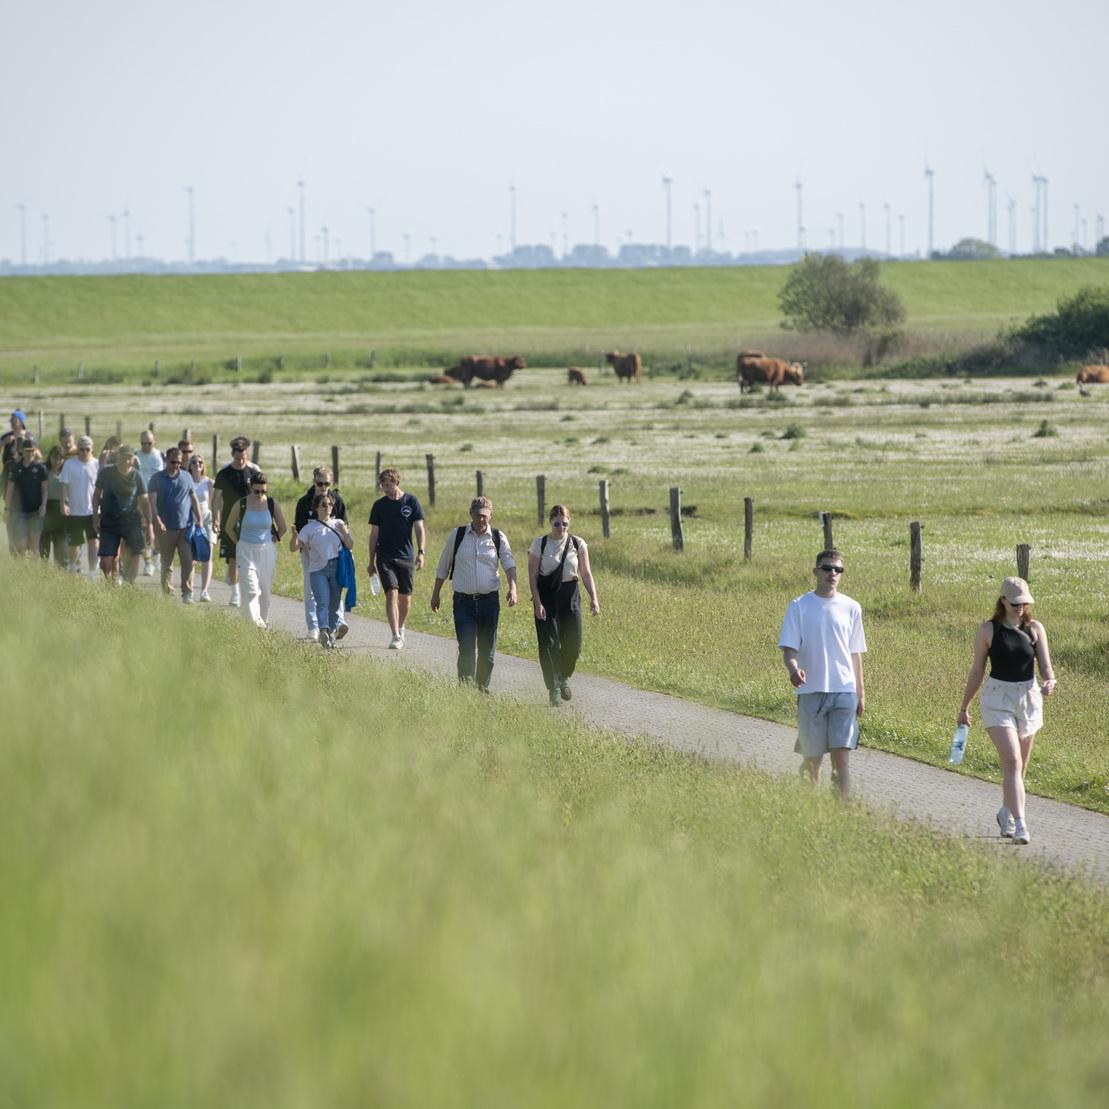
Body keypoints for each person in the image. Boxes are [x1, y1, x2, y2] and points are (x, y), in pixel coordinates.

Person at [957, 577, 1056, 846]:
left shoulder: (1035, 629)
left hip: (1028, 697)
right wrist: (964, 707)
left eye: (1024, 602)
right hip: (997, 698)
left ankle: (1005, 812)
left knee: (1019, 769)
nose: (1020, 607)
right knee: (1012, 762)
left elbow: (1046, 667)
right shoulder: (988, 630)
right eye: (1014, 603)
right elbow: (977, 670)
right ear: (1002, 601)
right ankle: (1021, 824)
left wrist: (1050, 681)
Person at [778, 549, 867, 797]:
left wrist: (860, 692)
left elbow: (855, 653)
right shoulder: (799, 606)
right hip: (812, 691)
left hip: (844, 691)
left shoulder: (851, 607)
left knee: (842, 759)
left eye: (838, 570)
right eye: (827, 568)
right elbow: (789, 649)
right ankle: (807, 806)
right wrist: (793, 670)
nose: (832, 574)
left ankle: (843, 811)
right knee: (813, 758)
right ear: (816, 571)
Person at [430, 496, 517, 691]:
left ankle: (482, 687)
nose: (481, 520)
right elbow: (444, 565)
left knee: (487, 651)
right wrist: (436, 593)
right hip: (463, 602)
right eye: (478, 516)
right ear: (471, 514)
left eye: (485, 516)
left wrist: (513, 588)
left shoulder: (497, 537)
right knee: (467, 648)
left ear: (491, 515)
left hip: (489, 602)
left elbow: (509, 564)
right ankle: (466, 689)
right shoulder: (458, 535)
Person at [527, 503, 600, 705]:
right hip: (547, 597)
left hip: (571, 595)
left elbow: (585, 572)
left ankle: (564, 676)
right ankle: (553, 688)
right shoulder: (539, 544)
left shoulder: (578, 544)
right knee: (549, 644)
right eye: (557, 524)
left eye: (565, 524)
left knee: (574, 643)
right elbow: (532, 576)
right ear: (550, 522)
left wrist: (594, 597)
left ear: (569, 522)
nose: (561, 528)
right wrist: (537, 602)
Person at [368, 467, 426, 649]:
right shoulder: (379, 506)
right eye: (382, 485)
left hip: (406, 556)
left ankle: (401, 627)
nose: (385, 489)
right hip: (385, 556)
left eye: (388, 485)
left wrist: (421, 552)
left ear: (397, 483)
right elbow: (373, 534)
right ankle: (394, 635)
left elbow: (419, 528)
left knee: (405, 599)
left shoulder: (411, 502)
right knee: (391, 593)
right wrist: (371, 561)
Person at [223, 471, 287, 628]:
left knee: (265, 591)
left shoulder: (272, 504)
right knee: (251, 588)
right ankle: (255, 624)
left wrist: (273, 539)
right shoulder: (242, 504)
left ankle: (262, 622)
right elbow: (229, 527)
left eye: (264, 491)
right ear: (251, 488)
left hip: (266, 552)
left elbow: (283, 528)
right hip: (245, 550)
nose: (260, 494)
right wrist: (239, 543)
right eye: (257, 491)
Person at [291, 466, 349, 641]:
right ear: (314, 481)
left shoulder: (336, 500)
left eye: (327, 483)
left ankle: (338, 623)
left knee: (335, 590)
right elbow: (300, 530)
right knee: (311, 590)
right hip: (310, 553)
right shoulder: (304, 502)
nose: (324, 487)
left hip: (334, 554)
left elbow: (344, 525)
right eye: (320, 483)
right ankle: (314, 627)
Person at [148, 446, 204, 603]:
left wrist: (199, 520)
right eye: (173, 462)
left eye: (179, 463)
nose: (176, 466)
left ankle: (187, 593)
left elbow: (194, 499)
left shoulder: (186, 477)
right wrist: (156, 520)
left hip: (185, 528)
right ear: (166, 460)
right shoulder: (156, 478)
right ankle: (167, 592)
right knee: (167, 562)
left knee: (187, 560)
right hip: (166, 529)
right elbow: (152, 502)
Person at [92, 444, 152, 584]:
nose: (126, 461)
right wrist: (95, 517)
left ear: (133, 459)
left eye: (129, 458)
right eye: (123, 457)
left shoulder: (136, 475)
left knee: (136, 552)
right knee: (106, 559)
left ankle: (129, 584)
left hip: (130, 521)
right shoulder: (106, 472)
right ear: (118, 457)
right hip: (109, 520)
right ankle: (111, 583)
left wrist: (149, 525)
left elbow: (144, 501)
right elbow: (96, 495)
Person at [212, 435, 260, 607]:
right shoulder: (224, 473)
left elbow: (261, 496)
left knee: (249, 557)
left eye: (243, 457)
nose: (240, 461)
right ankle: (235, 592)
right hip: (229, 522)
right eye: (237, 458)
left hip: (250, 521)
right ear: (233, 455)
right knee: (234, 557)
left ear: (247, 454)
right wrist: (216, 519)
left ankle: (247, 587)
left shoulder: (254, 472)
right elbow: (216, 498)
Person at [61, 435, 100, 573]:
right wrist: (63, 504)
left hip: (92, 511)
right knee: (74, 544)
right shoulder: (69, 464)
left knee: (93, 541)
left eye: (87, 449)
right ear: (77, 449)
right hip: (74, 511)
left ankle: (92, 572)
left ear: (92, 449)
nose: (84, 452)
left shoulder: (97, 464)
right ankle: (73, 566)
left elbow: (101, 488)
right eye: (81, 449)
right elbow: (64, 486)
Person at [5, 436, 49, 556]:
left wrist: (44, 505)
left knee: (35, 546)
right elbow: (9, 490)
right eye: (27, 450)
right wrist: (7, 509)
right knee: (22, 546)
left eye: (32, 450)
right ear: (22, 451)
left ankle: (36, 572)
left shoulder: (41, 468)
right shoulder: (16, 468)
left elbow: (45, 490)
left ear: (36, 451)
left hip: (36, 511)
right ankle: (24, 571)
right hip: (20, 512)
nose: (30, 453)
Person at [134, 429, 164, 577]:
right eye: (143, 443)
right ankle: (148, 562)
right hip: (140, 499)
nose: (146, 446)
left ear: (154, 441)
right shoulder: (136, 456)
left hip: (157, 498)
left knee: (157, 531)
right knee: (144, 531)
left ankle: (157, 554)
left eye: (149, 443)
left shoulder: (159, 456)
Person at [187, 454, 215, 601]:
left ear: (203, 465)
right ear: (190, 466)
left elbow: (214, 504)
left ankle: (204, 591)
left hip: (207, 522)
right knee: (191, 559)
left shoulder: (209, 483)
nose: (197, 464)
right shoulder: (186, 481)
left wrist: (217, 521)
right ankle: (189, 590)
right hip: (191, 524)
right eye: (194, 462)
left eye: (200, 462)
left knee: (207, 556)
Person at [40, 445, 69, 567]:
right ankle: (44, 565)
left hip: (62, 507)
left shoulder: (66, 472)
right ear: (50, 457)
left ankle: (60, 567)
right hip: (48, 506)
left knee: (60, 538)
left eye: (60, 458)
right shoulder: (44, 471)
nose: (57, 461)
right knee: (45, 537)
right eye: (54, 458)